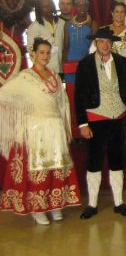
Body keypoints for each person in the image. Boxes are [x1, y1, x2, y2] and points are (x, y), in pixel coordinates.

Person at [0, 38, 81, 224]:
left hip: (55, 129)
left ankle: (54, 205)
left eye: (47, 52)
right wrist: (21, 115)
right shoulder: (25, 78)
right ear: (33, 54)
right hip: (36, 129)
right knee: (40, 168)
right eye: (41, 52)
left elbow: (63, 104)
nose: (45, 56)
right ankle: (38, 208)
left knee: (57, 166)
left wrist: (66, 127)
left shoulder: (54, 75)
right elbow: (4, 95)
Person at [74, 27, 126, 219]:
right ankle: (91, 204)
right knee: (94, 161)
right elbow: (79, 95)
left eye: (108, 41)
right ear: (95, 43)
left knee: (118, 159)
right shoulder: (85, 64)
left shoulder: (123, 63)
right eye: (101, 41)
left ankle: (119, 203)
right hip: (95, 118)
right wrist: (82, 124)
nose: (105, 45)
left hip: (118, 117)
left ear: (112, 43)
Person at [63, 0, 99, 82]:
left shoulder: (93, 24)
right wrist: (63, 63)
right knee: (71, 90)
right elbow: (66, 47)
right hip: (70, 61)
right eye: (79, 5)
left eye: (85, 5)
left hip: (86, 61)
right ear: (75, 6)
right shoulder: (68, 24)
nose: (82, 8)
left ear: (88, 6)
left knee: (85, 90)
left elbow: (93, 47)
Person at [26, 0, 65, 74]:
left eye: (50, 5)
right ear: (39, 10)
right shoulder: (34, 27)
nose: (49, 8)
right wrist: (40, 67)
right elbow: (30, 49)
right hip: (44, 69)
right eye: (45, 7)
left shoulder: (62, 23)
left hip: (60, 68)